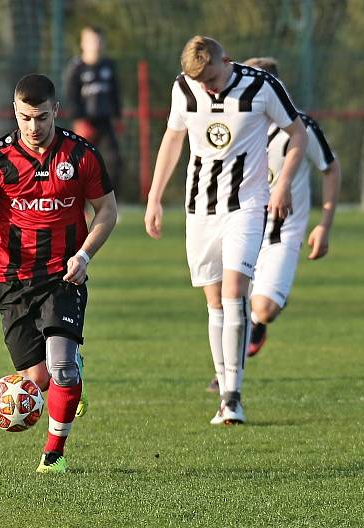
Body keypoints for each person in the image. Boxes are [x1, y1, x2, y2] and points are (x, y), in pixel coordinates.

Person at [0, 73, 118, 473]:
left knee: (60, 365)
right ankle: (69, 376)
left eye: (42, 117)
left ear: (56, 111)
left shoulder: (80, 155)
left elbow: (107, 211)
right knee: (38, 378)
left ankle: (54, 453)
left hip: (65, 275)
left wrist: (84, 255)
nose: (34, 126)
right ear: (15, 112)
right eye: (26, 117)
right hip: (13, 279)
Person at [144, 36, 306, 425]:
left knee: (236, 293)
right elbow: (173, 138)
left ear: (225, 61)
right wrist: (153, 196)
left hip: (247, 206)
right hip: (200, 209)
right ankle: (224, 389)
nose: (208, 87)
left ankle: (232, 396)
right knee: (214, 301)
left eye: (213, 78)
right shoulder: (183, 88)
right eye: (201, 81)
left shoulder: (262, 86)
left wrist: (282, 183)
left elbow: (297, 133)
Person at [205, 56, 341, 392]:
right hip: (241, 227)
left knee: (262, 308)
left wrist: (324, 223)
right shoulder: (235, 124)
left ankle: (258, 322)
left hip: (283, 233)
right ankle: (227, 378)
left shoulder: (300, 128)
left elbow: (330, 168)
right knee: (227, 302)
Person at [64, 26, 123, 199]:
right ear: (83, 43)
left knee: (113, 161)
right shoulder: (76, 67)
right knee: (79, 165)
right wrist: (79, 120)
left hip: (105, 123)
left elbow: (115, 94)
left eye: (98, 40)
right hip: (84, 124)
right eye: (90, 40)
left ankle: (110, 203)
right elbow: (71, 96)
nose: (95, 44)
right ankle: (78, 205)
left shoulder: (108, 66)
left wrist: (117, 117)